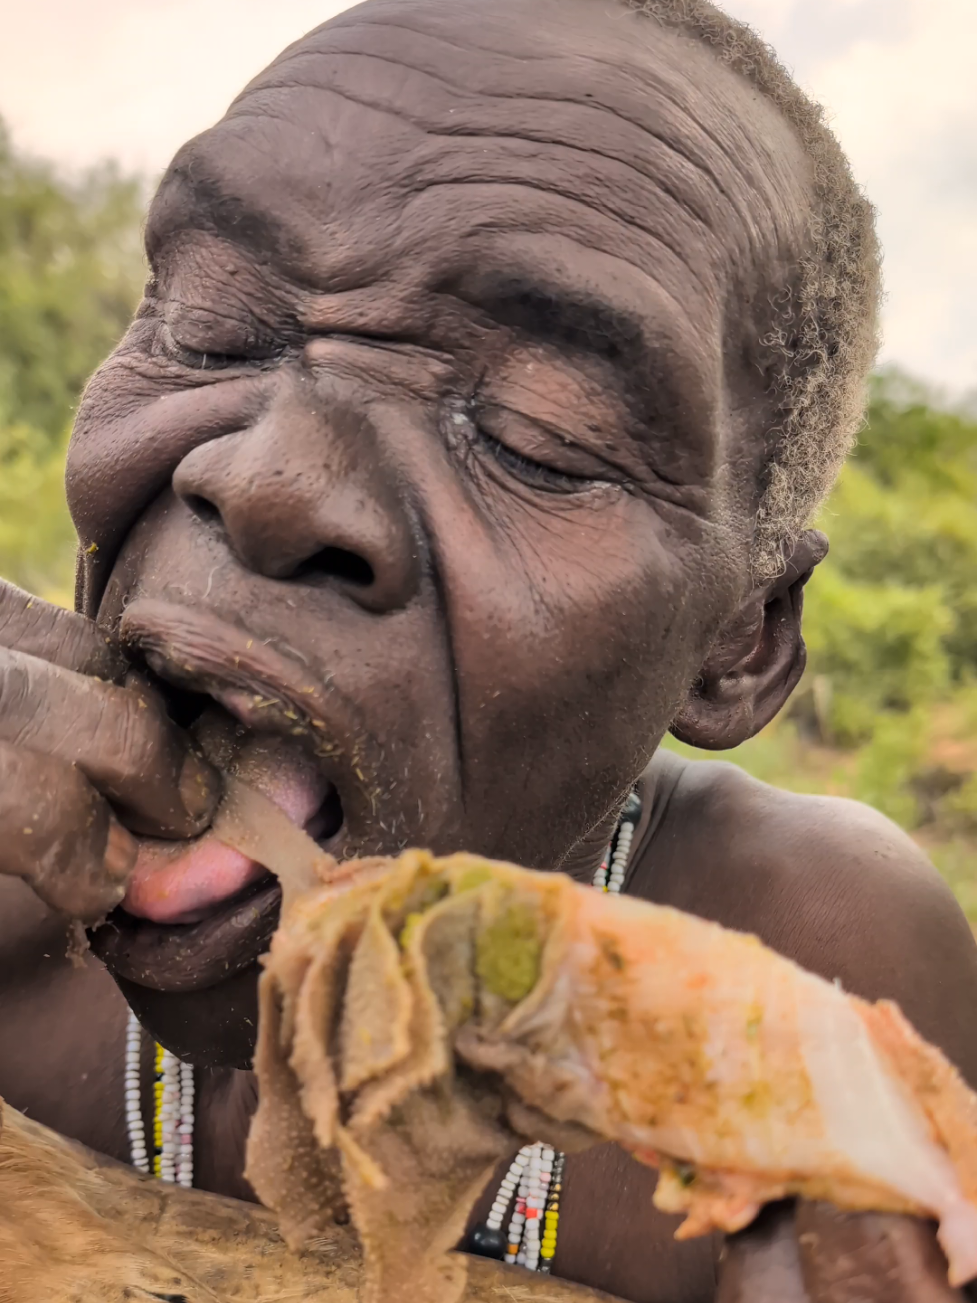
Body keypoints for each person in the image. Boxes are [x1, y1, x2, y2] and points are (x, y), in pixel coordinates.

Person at [1, 0, 975, 1298]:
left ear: (737, 642)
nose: (268, 476)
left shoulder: (823, 981)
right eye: (211, 325)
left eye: (535, 433)